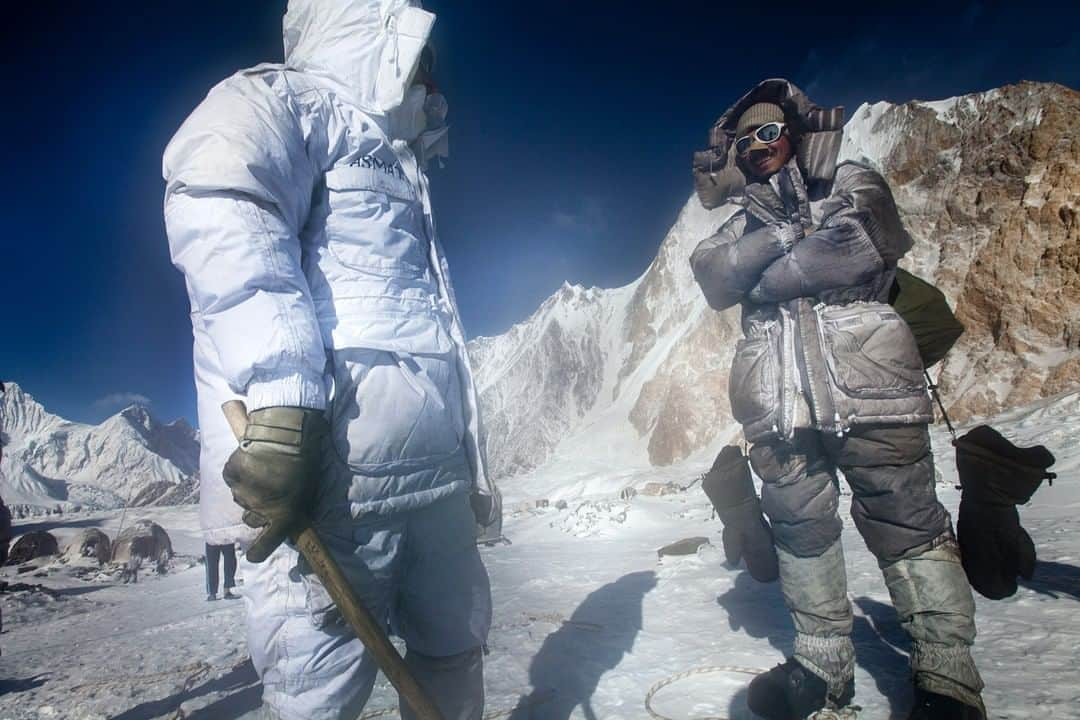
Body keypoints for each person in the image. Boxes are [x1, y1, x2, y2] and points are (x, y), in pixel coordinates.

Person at [163, 2, 499, 719]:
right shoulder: (284, 101)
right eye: (415, 46)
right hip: (330, 490)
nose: (429, 67)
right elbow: (226, 206)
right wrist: (283, 407)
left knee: (454, 657)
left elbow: (436, 334)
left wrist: (472, 469)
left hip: (434, 489)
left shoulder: (407, 166)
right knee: (317, 691)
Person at [690, 79, 985, 720]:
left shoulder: (853, 180)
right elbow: (714, 276)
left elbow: (858, 249)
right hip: (780, 405)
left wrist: (760, 262)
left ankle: (947, 675)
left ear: (794, 133)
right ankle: (823, 663)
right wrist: (784, 231)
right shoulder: (739, 222)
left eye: (769, 132)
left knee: (907, 524)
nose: (758, 146)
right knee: (800, 530)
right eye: (745, 141)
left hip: (872, 389)